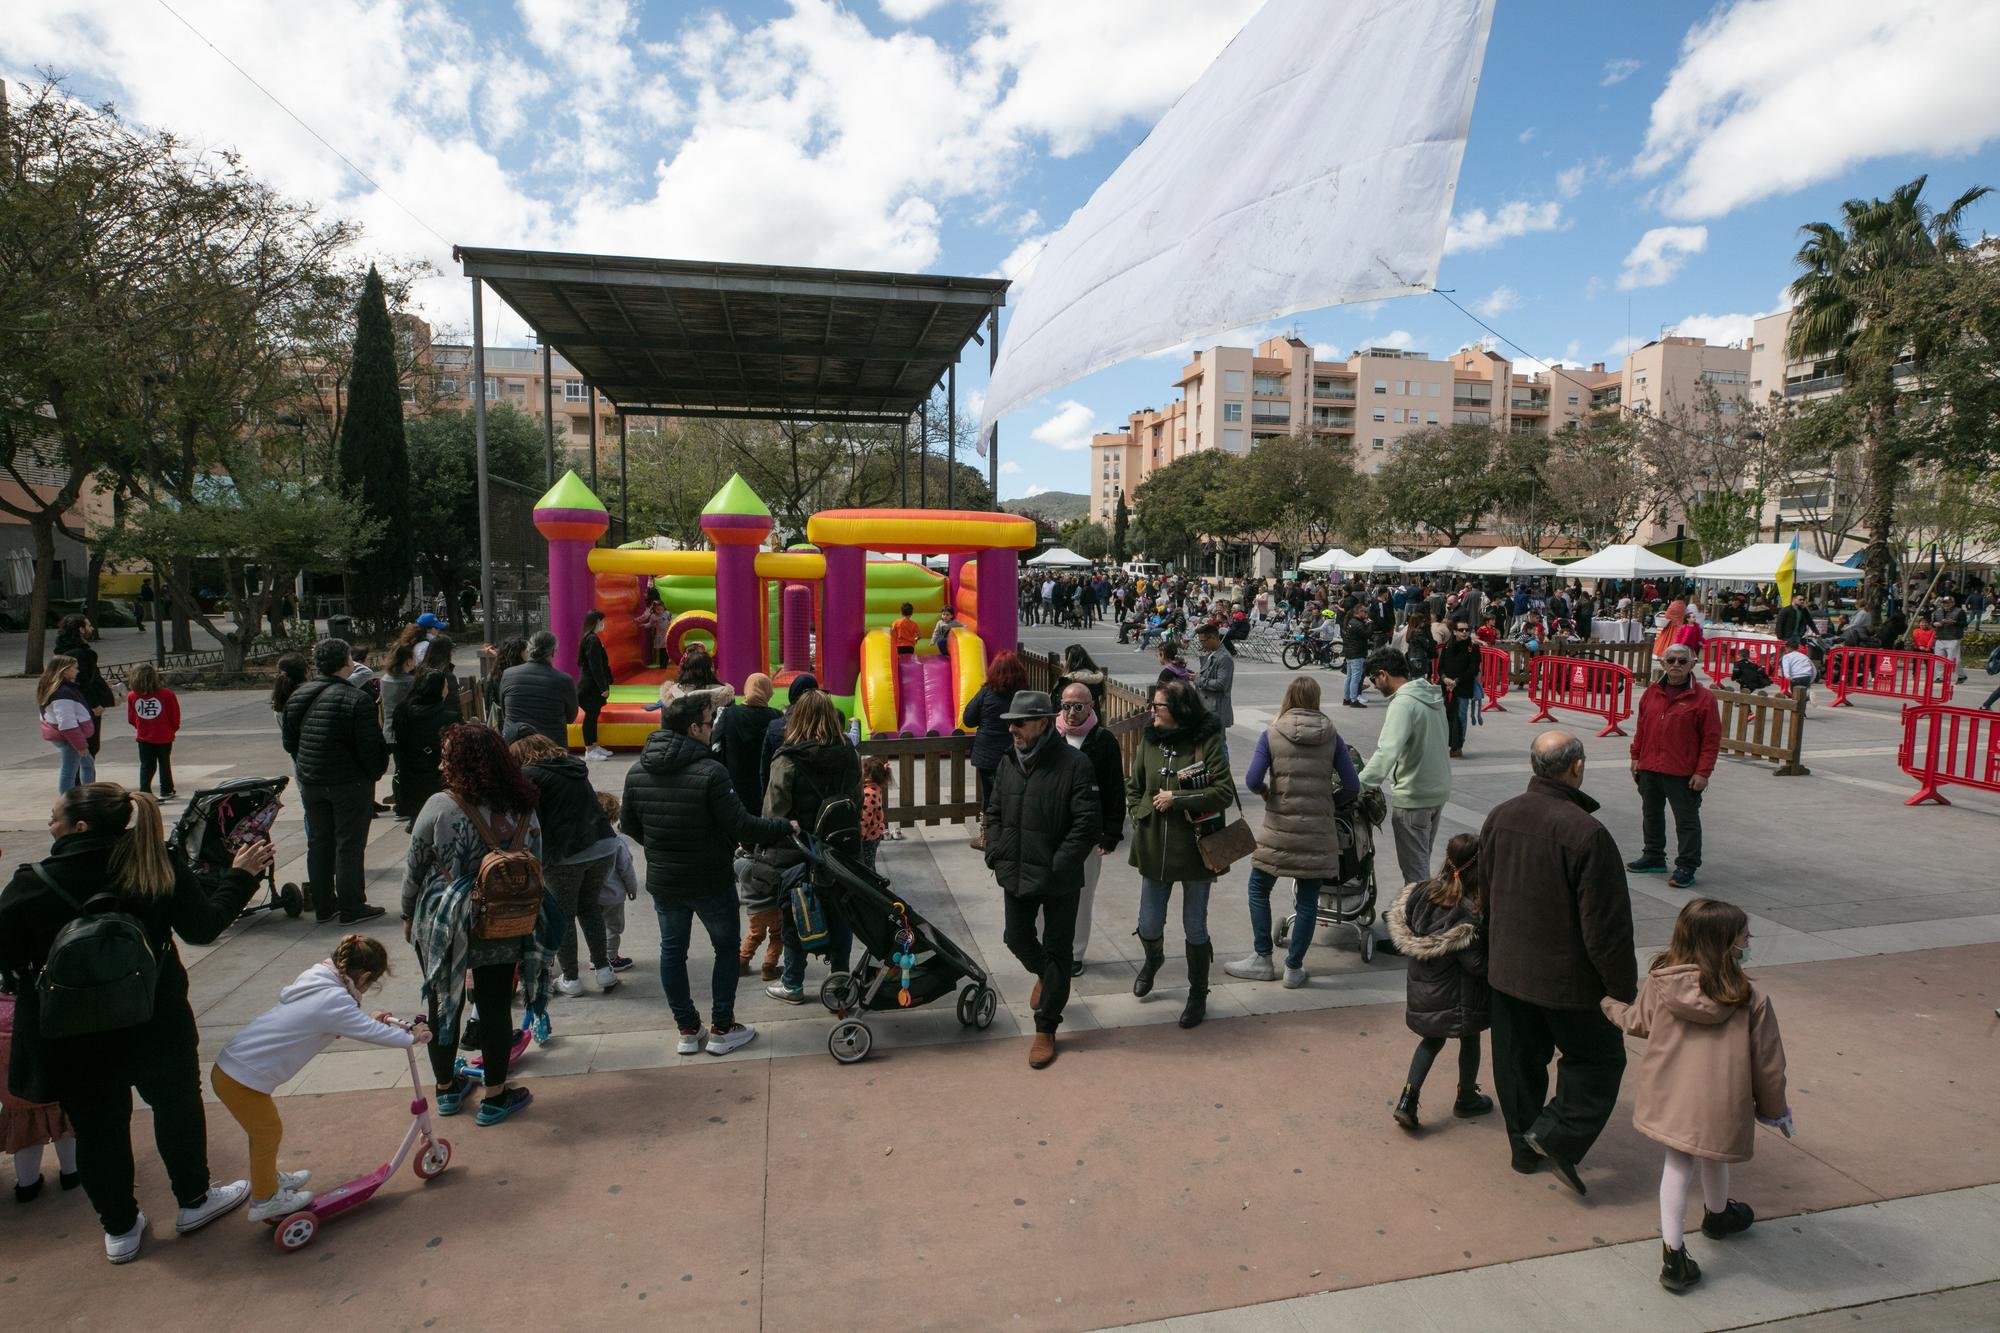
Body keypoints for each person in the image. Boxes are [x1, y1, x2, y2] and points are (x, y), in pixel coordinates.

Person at [0, 783, 269, 1263]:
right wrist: (241, 876)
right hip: (156, 1015)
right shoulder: (152, 862)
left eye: (54, 817)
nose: (49, 825)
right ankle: (193, 1200)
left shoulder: (33, 882)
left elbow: (6, 965)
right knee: (176, 1106)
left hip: (75, 1034)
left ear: (80, 827)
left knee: (99, 1129)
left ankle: (120, 1229)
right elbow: (203, 927)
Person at [1602, 898, 1790, 1294]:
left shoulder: (1662, 982)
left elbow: (1637, 1023)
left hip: (1669, 1095)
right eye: (1744, 938)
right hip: (1722, 1102)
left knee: (1677, 1164)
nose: (1748, 943)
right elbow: (1769, 1065)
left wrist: (1609, 1005)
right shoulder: (1750, 999)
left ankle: (1674, 1256)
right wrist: (1775, 1110)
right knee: (1713, 1154)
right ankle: (1718, 1215)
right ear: (1726, 946)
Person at [1480, 731, 1637, 1196]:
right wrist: (1620, 989)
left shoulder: (1500, 816)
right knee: (1598, 1060)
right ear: (1577, 768)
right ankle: (1552, 1136)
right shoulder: (1586, 833)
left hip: (1508, 969)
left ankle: (1523, 1147)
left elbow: (1484, 894)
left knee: (1517, 1062)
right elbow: (1606, 926)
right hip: (1568, 980)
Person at [210, 935, 424, 1222]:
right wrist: (411, 1036)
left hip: (235, 1067)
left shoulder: (318, 977)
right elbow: (363, 1029)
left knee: (264, 1132)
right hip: (242, 1077)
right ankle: (266, 1199)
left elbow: (341, 1020)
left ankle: (268, 1181)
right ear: (367, 976)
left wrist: (372, 1020)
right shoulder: (333, 1001)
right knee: (266, 1133)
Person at [401, 724, 552, 1126]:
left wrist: (405, 913)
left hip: (444, 920)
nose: (440, 761)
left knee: (443, 1002)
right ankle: (496, 1096)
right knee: (495, 1004)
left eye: (446, 754)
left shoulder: (440, 805)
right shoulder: (523, 804)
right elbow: (538, 862)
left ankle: (447, 1090)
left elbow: (414, 866)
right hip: (504, 920)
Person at [624, 694, 792, 1051]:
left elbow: (629, 825)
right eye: (708, 721)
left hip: (666, 879)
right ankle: (722, 1026)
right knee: (726, 948)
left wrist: (659, 847)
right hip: (710, 876)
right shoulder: (711, 772)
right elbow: (742, 825)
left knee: (672, 952)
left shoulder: (637, 771)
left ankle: (687, 1029)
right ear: (692, 729)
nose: (713, 726)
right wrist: (783, 826)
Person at [986, 690, 1100, 1068]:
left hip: (1059, 877)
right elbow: (996, 810)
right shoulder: (1008, 761)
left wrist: (1059, 864)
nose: (1013, 729)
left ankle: (1046, 1027)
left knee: (1058, 949)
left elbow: (1087, 824)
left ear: (1042, 722)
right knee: (1016, 937)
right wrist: (996, 851)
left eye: (1020, 723)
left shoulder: (1074, 764)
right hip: (1016, 870)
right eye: (1010, 723)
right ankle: (1048, 976)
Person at [1226, 676, 1358, 987]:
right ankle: (1294, 968)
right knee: (1308, 899)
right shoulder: (1332, 736)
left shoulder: (1271, 734)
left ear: (1288, 697)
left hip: (1279, 829)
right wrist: (1329, 802)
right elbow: (1352, 786)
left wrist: (1266, 794)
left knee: (1259, 888)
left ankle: (1261, 957)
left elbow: (1252, 779)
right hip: (1317, 832)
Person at [1126, 678, 1234, 1029]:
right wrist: (1137, 814)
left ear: (1179, 710)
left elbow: (1224, 792)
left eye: (1158, 706)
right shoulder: (1149, 739)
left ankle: (1198, 993)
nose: (1152, 711)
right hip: (1154, 846)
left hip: (1195, 848)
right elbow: (1135, 786)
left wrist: (1179, 799)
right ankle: (1152, 960)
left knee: (1195, 926)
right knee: (1149, 922)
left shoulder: (1206, 741)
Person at [761, 692, 865, 1006]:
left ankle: (793, 983)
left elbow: (774, 810)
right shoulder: (848, 751)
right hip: (841, 850)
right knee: (841, 911)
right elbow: (857, 798)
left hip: (800, 850)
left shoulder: (788, 758)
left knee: (796, 912)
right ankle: (840, 979)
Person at [1386, 832, 1493, 1129]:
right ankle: (1467, 1097)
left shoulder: (1422, 894)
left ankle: (1408, 1098)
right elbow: (1476, 965)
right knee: (1470, 1039)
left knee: (1431, 1041)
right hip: (1457, 995)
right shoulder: (1468, 912)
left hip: (1424, 992)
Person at [282, 638, 390, 925]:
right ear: (347, 663)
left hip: (312, 780)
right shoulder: (357, 699)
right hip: (349, 782)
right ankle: (352, 906)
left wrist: (307, 766)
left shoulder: (298, 695)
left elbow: (290, 742)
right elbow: (371, 748)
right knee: (349, 844)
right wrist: (374, 773)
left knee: (319, 842)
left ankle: (324, 905)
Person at [1355, 648, 1452, 949]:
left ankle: (1417, 935)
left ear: (1384, 674)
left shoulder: (1403, 704)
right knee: (1421, 860)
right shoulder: (1430, 695)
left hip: (1414, 795)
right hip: (1437, 789)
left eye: (1374, 679)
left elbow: (1387, 751)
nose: (1374, 685)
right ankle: (1415, 917)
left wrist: (1358, 785)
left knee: (1415, 870)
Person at [510, 733, 620, 995]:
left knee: (563, 916)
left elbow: (525, 818)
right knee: (590, 908)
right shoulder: (572, 766)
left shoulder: (529, 775)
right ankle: (603, 970)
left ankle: (571, 978)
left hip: (565, 855)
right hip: (602, 845)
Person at [1628, 644, 1722, 889]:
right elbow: (1641, 728)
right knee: (1651, 814)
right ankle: (1653, 855)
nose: (1676, 665)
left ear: (1692, 664)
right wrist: (1636, 757)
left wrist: (1703, 772)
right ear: (1662, 663)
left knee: (1687, 821)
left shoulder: (1704, 699)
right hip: (1649, 767)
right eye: (1671, 660)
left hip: (1682, 773)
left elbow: (1711, 740)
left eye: (1682, 661)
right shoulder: (1651, 693)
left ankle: (1687, 866)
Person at [1055, 680, 1125, 976]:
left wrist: (1111, 833)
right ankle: (1052, 948)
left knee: (1083, 895)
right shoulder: (1051, 737)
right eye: (1066, 706)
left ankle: (1075, 952)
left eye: (1078, 707)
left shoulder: (1103, 741)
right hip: (1054, 831)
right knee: (1050, 893)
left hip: (1088, 833)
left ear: (1091, 707)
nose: (1071, 713)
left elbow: (1114, 790)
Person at [0, 987, 78, 1204]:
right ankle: (71, 1173)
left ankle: (27, 1184)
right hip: (54, 1088)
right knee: (64, 1128)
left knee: (25, 1138)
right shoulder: (43, 1000)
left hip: (16, 1094)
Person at [961, 651, 1026, 852]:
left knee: (990, 797)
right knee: (1016, 794)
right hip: (1015, 752)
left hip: (988, 752)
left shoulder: (987, 691)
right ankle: (1014, 836)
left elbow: (969, 719)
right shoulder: (1023, 694)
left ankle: (988, 838)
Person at [391, 642, 461, 821]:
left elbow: (399, 743)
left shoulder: (402, 710)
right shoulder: (448, 717)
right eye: (445, 686)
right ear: (438, 690)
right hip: (440, 779)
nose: (447, 690)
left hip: (411, 776)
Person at [497, 629, 579, 748]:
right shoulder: (564, 680)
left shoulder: (508, 675)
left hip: (516, 745)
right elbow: (571, 717)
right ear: (553, 652)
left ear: (529, 650)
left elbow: (505, 711)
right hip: (551, 745)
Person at [714, 673, 783, 810]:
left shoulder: (729, 715)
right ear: (768, 691)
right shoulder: (777, 717)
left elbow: (716, 745)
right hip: (766, 788)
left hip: (734, 787)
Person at [53, 615, 114, 763]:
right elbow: (83, 683)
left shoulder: (65, 651)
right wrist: (95, 704)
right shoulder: (78, 654)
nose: (91, 629)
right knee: (88, 747)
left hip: (76, 703)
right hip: (84, 706)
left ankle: (81, 782)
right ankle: (83, 784)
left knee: (82, 749)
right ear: (81, 629)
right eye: (89, 625)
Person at [122, 662, 181, 801]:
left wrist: (141, 728)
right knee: (164, 763)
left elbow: (131, 718)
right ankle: (167, 789)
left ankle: (145, 791)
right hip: (164, 735)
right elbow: (174, 715)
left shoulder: (132, 696)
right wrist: (173, 729)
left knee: (146, 765)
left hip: (144, 736)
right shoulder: (167, 694)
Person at [37, 656, 96, 793]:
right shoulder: (62, 693)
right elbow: (66, 723)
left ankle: (90, 793)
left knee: (87, 763)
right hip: (69, 737)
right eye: (74, 668)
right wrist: (80, 745)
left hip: (66, 736)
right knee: (69, 770)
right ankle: (67, 803)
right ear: (64, 671)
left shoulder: (53, 688)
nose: (78, 671)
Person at [595, 791, 638, 973]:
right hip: (613, 895)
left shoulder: (585, 841)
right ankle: (610, 958)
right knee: (612, 928)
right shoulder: (617, 842)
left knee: (595, 927)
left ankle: (596, 956)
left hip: (592, 894)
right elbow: (626, 869)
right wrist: (632, 888)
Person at [577, 608, 614, 761]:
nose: (603, 624)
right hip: (590, 686)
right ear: (596, 622)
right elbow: (595, 666)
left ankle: (594, 745)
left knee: (594, 715)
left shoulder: (591, 638)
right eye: (601, 621)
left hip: (593, 685)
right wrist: (603, 687)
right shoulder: (592, 640)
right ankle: (589, 750)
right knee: (590, 717)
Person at [1193, 622, 1235, 734]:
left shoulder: (1224, 658)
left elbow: (1221, 684)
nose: (1201, 645)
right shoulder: (1211, 654)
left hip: (1216, 710)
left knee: (1218, 745)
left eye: (1203, 641)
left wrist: (1197, 679)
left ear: (1213, 637)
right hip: (1207, 707)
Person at [859, 753, 891, 875]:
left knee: (867, 866)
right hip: (874, 833)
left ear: (868, 776)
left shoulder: (868, 793)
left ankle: (873, 886)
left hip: (868, 837)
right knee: (869, 863)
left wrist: (859, 836)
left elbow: (864, 819)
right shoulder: (875, 788)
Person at [1341, 606, 1373, 706]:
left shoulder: (1351, 622)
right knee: (1355, 678)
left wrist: (1365, 624)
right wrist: (1370, 624)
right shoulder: (1358, 624)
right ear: (1360, 612)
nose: (1366, 614)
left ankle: (1346, 698)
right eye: (1365, 612)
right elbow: (1367, 634)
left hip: (1350, 654)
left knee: (1349, 677)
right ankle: (1354, 700)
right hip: (1357, 654)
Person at [1933, 593, 1968, 683]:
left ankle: (1961, 675)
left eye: (1948, 602)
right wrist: (1934, 624)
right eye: (1944, 602)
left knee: (1953, 660)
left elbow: (1964, 624)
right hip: (1940, 637)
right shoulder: (1938, 611)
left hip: (1953, 638)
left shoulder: (1960, 611)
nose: (1945, 604)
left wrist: (1953, 622)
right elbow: (1933, 622)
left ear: (1953, 603)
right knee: (1938, 659)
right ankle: (1939, 677)